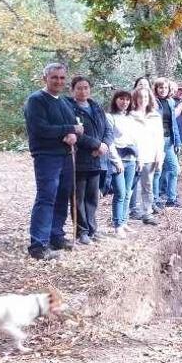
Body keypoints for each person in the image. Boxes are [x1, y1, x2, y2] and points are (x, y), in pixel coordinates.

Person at [24, 63, 83, 260]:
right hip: (47, 156)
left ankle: (55, 236)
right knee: (46, 197)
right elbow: (40, 128)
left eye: (62, 78)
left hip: (66, 156)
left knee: (62, 197)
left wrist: (73, 134)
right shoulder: (36, 100)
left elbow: (74, 127)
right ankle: (38, 245)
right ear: (45, 79)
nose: (58, 81)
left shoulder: (64, 102)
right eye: (54, 77)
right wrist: (69, 130)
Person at [67, 76, 113, 245]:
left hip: (97, 159)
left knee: (92, 197)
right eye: (79, 88)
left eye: (86, 87)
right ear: (72, 90)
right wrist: (96, 145)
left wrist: (105, 145)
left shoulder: (96, 107)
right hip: (79, 158)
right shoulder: (69, 108)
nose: (83, 91)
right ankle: (81, 231)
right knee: (78, 197)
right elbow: (76, 134)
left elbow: (108, 129)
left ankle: (92, 229)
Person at [106, 90, 138, 239]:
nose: (124, 102)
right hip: (117, 159)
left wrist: (139, 159)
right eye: (121, 99)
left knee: (128, 193)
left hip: (131, 158)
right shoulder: (110, 117)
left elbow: (135, 139)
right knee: (120, 192)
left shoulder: (131, 118)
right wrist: (116, 160)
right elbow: (110, 140)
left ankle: (124, 221)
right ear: (115, 100)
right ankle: (118, 224)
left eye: (127, 100)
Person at [129, 87, 163, 225]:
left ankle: (147, 213)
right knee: (131, 186)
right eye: (140, 97)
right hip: (134, 156)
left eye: (146, 97)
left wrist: (159, 156)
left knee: (147, 185)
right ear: (135, 99)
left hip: (150, 155)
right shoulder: (130, 116)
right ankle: (128, 212)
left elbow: (159, 138)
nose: (143, 100)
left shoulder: (155, 116)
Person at [153, 78, 182, 209]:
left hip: (169, 140)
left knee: (174, 169)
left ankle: (171, 198)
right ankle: (155, 199)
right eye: (160, 87)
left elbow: (174, 123)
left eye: (165, 88)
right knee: (157, 171)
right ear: (156, 89)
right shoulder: (153, 102)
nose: (163, 90)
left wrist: (177, 141)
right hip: (156, 141)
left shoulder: (170, 102)